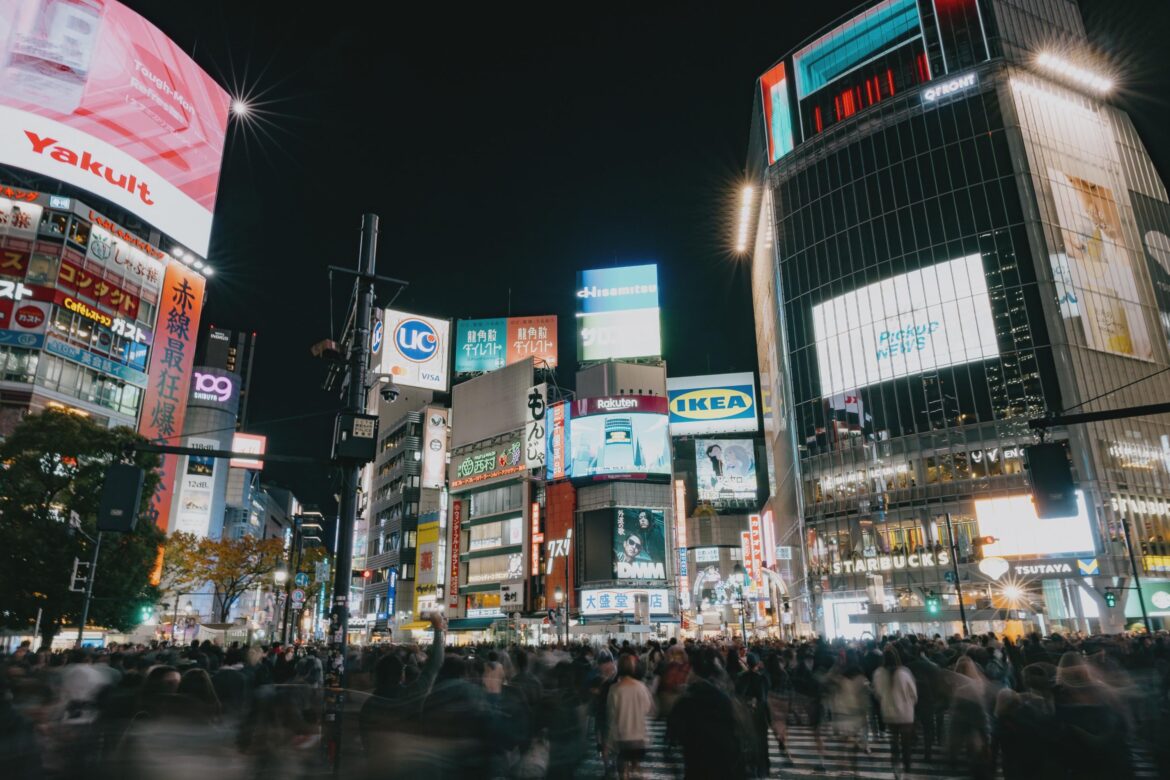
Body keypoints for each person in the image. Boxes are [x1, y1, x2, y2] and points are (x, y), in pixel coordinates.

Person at [872, 645, 917, 779]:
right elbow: (913, 694)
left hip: (889, 713)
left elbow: (877, 694)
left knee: (894, 742)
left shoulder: (879, 673)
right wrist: (909, 704)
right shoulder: (904, 672)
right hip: (906, 714)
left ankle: (896, 768)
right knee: (906, 743)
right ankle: (907, 769)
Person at [607, 653, 654, 780]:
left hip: (621, 738)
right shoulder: (641, 687)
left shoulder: (614, 689)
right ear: (633, 668)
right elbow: (648, 708)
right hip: (639, 737)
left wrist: (608, 741)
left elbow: (611, 715)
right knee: (636, 764)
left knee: (622, 767)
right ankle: (637, 770)